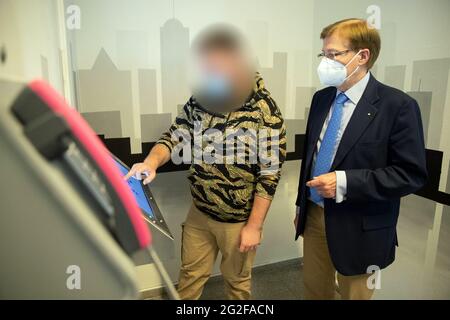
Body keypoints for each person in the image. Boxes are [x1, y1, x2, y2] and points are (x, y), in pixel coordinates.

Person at [125, 24, 286, 300]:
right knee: (189, 279)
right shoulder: (203, 98)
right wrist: (151, 162)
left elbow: (269, 175)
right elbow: (174, 136)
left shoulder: (265, 110)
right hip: (200, 213)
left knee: (237, 286)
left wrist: (254, 227)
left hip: (237, 221)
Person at [294, 18, 427, 300]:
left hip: (361, 227)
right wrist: (301, 207)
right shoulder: (321, 99)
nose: (325, 63)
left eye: (333, 55)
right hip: (315, 217)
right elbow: (312, 156)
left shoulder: (398, 106)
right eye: (323, 55)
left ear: (362, 56)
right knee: (314, 291)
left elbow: (410, 174)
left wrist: (345, 182)